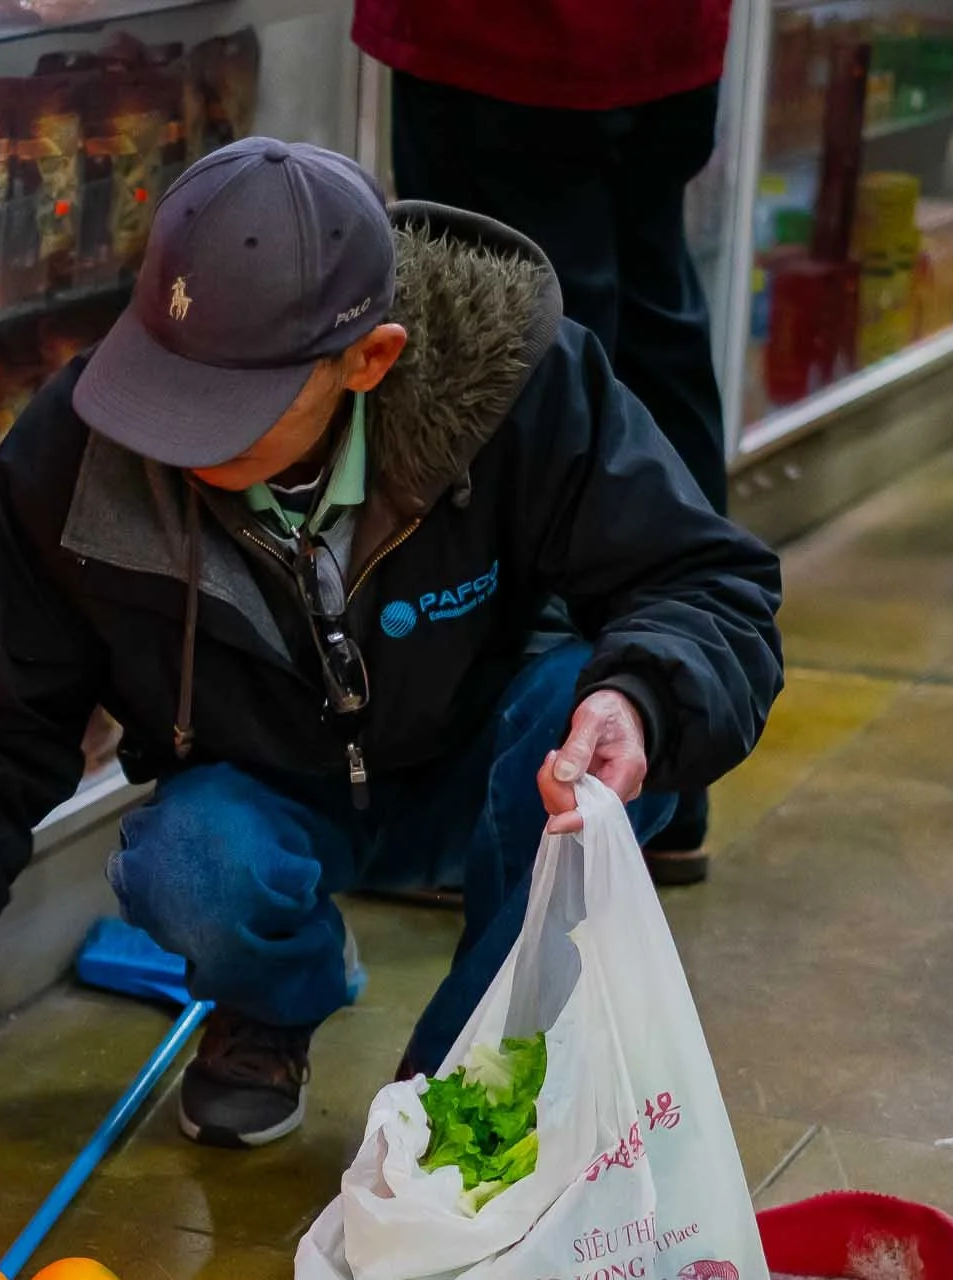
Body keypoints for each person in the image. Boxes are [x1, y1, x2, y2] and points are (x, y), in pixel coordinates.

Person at [0, 138, 782, 1147]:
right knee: (187, 862)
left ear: (368, 359)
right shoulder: (78, 448)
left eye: (223, 411)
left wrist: (638, 695)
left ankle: (459, 1088)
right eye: (162, 382)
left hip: (498, 760)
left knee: (596, 753)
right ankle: (275, 1000)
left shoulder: (521, 381)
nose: (170, 435)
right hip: (265, 780)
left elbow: (706, 582)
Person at [355, 0, 733, 885]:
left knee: (512, 366)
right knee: (652, 332)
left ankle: (552, 780)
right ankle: (665, 757)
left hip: (507, 38)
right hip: (667, 37)